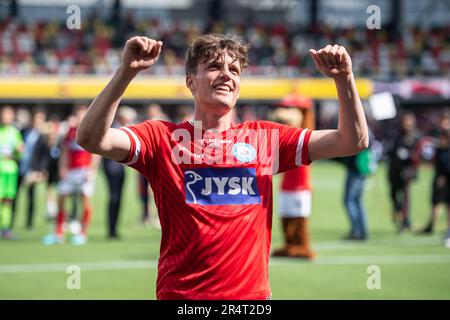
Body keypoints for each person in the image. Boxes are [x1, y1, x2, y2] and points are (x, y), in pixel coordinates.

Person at [76, 34, 368, 299]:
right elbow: (90, 138)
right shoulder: (160, 138)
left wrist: (344, 78)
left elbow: (351, 141)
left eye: (235, 70)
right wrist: (127, 71)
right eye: (214, 67)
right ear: (191, 81)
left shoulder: (267, 139)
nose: (226, 75)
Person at [42, 106, 100, 246]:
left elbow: (97, 153)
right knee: (61, 199)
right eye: (78, 115)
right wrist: (62, 168)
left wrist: (92, 170)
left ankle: (83, 232)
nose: (81, 118)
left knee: (84, 201)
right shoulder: (70, 131)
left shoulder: (91, 131)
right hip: (70, 171)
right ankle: (58, 232)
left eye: (83, 115)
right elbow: (65, 151)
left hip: (84, 171)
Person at [270, 94, 316, 259]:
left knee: (299, 218)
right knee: (285, 215)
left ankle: (302, 246)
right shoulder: (284, 135)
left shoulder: (305, 135)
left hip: (300, 185)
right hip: (286, 184)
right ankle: (290, 244)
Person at [103, 105, 136, 239]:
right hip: (112, 168)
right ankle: (111, 229)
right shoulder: (114, 128)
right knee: (114, 198)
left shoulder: (122, 128)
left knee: (118, 199)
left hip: (119, 168)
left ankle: (114, 229)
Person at [386, 112, 421, 233]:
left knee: (406, 196)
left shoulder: (416, 137)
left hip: (407, 172)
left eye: (409, 121)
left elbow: (418, 155)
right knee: (393, 194)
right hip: (394, 170)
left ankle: (405, 221)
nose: (407, 124)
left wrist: (409, 156)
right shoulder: (396, 135)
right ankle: (398, 211)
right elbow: (390, 151)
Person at [12, 108, 47, 230]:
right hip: (19, 168)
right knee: (14, 196)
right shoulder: (23, 132)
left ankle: (29, 223)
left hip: (32, 171)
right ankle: (10, 223)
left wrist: (39, 170)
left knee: (31, 197)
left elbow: (43, 156)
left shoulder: (42, 137)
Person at [418, 114, 450, 243]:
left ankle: (448, 230)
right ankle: (432, 225)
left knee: (448, 203)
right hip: (441, 174)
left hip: (446, 176)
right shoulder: (438, 136)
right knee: (436, 201)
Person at [0, 105, 24, 239]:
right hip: (0, 169)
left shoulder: (15, 132)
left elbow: (20, 153)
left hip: (11, 170)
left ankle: (5, 228)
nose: (6, 117)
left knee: (8, 201)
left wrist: (18, 152)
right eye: (4, 114)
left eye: (9, 115)